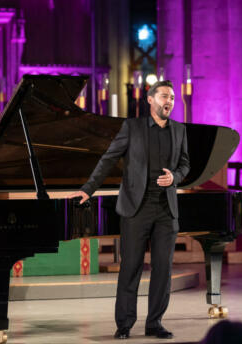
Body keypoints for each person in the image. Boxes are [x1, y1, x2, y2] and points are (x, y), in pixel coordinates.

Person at [69, 80, 190, 339]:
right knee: (131, 267)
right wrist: (88, 189)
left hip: (166, 210)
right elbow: (108, 159)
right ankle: (124, 323)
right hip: (137, 208)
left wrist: (176, 178)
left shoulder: (179, 130)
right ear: (150, 100)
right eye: (164, 96)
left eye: (172, 97)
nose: (169, 101)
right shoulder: (132, 127)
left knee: (162, 269)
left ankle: (154, 323)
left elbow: (185, 164)